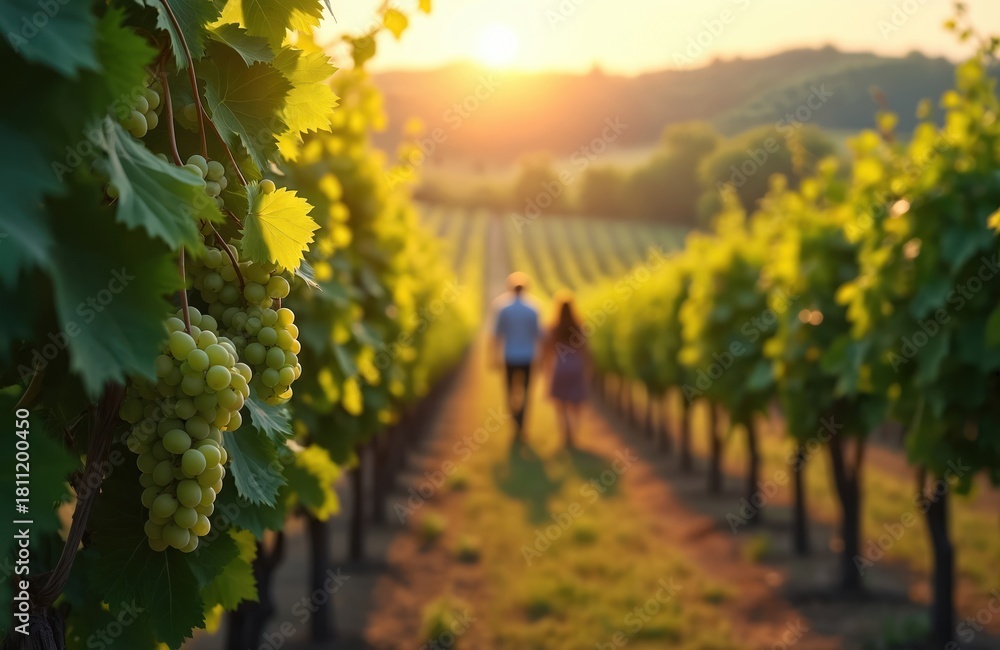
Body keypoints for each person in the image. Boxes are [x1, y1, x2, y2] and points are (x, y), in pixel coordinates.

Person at [492, 272, 541, 441]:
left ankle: (514, 418)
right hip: (527, 356)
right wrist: (540, 358)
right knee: (526, 391)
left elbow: (496, 335)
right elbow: (538, 335)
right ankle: (522, 423)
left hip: (510, 355)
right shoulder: (533, 308)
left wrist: (494, 356)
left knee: (510, 390)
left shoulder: (502, 307)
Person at [542, 293, 589, 448]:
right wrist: (589, 368)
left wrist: (547, 369)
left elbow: (547, 350)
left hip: (560, 367)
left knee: (560, 403)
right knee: (576, 400)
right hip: (576, 366)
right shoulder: (579, 326)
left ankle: (565, 432)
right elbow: (586, 349)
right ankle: (575, 429)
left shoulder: (554, 327)